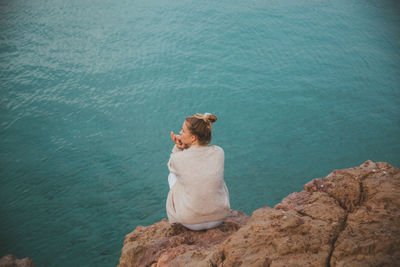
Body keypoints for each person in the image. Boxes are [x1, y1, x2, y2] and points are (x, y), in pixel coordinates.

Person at [166, 113, 230, 231]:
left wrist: (178, 147)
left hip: (190, 221)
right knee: (214, 177)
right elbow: (198, 158)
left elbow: (172, 165)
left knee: (173, 176)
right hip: (219, 217)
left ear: (193, 137)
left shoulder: (178, 158)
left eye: (183, 131)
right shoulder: (219, 152)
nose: (180, 132)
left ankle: (175, 219)